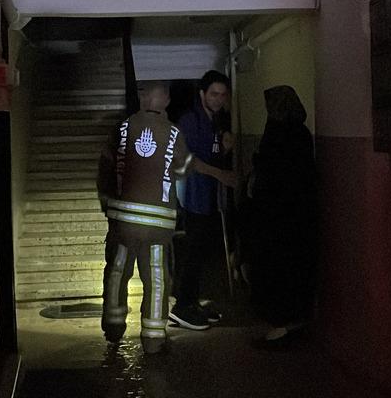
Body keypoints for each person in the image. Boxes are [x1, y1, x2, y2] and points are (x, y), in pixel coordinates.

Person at [97, 81, 232, 354]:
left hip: (123, 223)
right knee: (157, 278)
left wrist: (109, 207)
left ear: (142, 99)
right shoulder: (173, 133)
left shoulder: (121, 129)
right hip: (158, 225)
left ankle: (113, 328)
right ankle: (154, 339)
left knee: (116, 273)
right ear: (167, 101)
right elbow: (182, 169)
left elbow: (105, 171)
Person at [241, 85, 318, 346]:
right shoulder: (302, 134)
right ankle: (293, 324)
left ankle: (280, 328)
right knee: (294, 271)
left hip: (274, 218)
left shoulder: (276, 134)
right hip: (298, 218)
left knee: (274, 272)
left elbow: (269, 173)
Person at [170, 70, 235, 330]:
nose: (219, 99)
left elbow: (213, 152)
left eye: (222, 94)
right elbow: (192, 161)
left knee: (203, 251)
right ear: (202, 94)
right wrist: (221, 174)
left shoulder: (215, 121)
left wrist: (225, 144)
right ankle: (181, 307)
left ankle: (192, 302)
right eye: (214, 94)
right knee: (193, 252)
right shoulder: (190, 121)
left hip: (209, 197)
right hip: (193, 195)